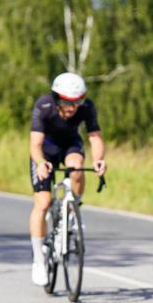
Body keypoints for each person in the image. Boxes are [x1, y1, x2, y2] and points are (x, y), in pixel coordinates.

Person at [29, 72, 107, 286]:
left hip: (70, 145)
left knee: (77, 168)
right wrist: (40, 163)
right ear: (56, 98)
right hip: (45, 150)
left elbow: (94, 137)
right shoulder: (43, 106)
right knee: (43, 202)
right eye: (67, 102)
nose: (73, 107)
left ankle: (73, 208)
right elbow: (35, 144)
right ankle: (38, 260)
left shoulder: (87, 107)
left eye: (77, 102)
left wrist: (99, 160)